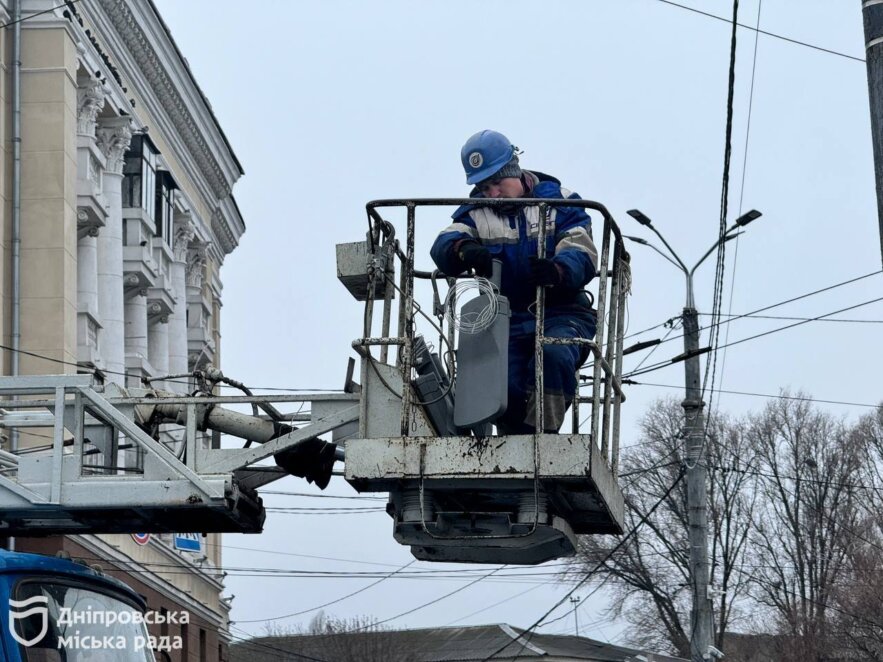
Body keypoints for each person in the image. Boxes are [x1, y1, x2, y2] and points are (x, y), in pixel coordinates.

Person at [431, 130, 599, 434]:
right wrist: (463, 249)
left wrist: (559, 272)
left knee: (553, 356)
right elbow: (444, 242)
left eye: (497, 183)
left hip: (561, 312)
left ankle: (542, 437)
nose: (492, 194)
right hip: (506, 319)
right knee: (499, 380)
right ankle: (513, 439)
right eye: (484, 187)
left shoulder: (559, 202)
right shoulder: (475, 213)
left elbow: (582, 249)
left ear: (515, 170)